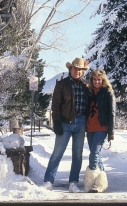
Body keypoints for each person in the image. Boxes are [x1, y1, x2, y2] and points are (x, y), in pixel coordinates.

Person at [42, 57, 90, 193]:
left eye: (80, 70)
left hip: (81, 123)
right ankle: (48, 181)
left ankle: (73, 182)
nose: (77, 72)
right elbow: (55, 106)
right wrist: (56, 122)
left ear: (83, 72)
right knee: (57, 153)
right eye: (75, 69)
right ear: (70, 69)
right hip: (65, 123)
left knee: (77, 155)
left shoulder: (86, 86)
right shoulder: (62, 84)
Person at [83, 69, 116, 193]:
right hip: (90, 128)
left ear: (103, 80)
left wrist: (111, 131)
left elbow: (112, 113)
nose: (97, 82)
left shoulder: (108, 93)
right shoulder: (90, 92)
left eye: (99, 79)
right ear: (92, 81)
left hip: (102, 128)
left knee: (94, 155)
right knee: (97, 155)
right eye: (94, 79)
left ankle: (92, 182)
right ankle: (101, 183)